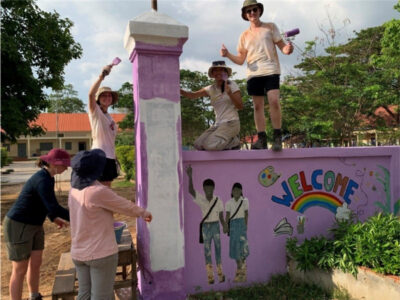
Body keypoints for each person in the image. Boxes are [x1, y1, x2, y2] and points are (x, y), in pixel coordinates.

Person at [68, 149, 152, 299]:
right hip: (100, 254)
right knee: (102, 296)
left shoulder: (73, 190)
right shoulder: (97, 191)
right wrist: (144, 213)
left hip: (78, 253)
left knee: (84, 295)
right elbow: (125, 206)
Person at [220, 0, 294, 151]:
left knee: (273, 101)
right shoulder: (244, 35)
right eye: (248, 11)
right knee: (258, 106)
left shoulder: (270, 27)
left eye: (254, 9)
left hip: (271, 70)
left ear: (259, 10)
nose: (252, 13)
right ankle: (261, 139)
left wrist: (289, 49)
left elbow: (283, 48)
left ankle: (277, 137)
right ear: (245, 15)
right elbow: (241, 60)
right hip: (253, 74)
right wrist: (227, 55)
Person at [3, 148, 71, 300]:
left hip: (35, 224)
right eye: (64, 165)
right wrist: (77, 217)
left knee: (36, 262)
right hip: (19, 224)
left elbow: (44, 203)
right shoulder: (42, 179)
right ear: (53, 164)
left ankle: (34, 295)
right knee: (19, 268)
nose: (66, 168)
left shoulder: (49, 178)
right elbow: (53, 206)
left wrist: (53, 218)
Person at [180, 61, 243, 150]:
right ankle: (229, 141)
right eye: (215, 70)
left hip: (231, 123)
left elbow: (240, 106)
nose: (218, 72)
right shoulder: (210, 89)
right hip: (218, 124)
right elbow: (192, 95)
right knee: (198, 144)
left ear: (225, 73)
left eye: (221, 70)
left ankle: (234, 142)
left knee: (209, 145)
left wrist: (229, 93)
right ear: (212, 74)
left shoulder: (232, 85)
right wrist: (179, 90)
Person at [186, 165, 226, 284]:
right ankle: (210, 277)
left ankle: (220, 274)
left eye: (210, 188)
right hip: (206, 227)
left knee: (218, 249)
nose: (208, 191)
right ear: (203, 189)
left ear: (213, 188)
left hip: (215, 226)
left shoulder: (218, 200)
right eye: (206, 189)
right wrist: (190, 176)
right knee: (207, 251)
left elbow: (220, 215)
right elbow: (191, 191)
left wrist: (224, 225)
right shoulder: (201, 199)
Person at [88, 64, 120, 187]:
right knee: (99, 191)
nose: (107, 97)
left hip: (110, 157)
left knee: (107, 190)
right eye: (103, 95)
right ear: (98, 98)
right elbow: (90, 95)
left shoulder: (110, 118)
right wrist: (102, 76)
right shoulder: (96, 113)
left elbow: (110, 140)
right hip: (99, 156)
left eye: (109, 95)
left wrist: (114, 155)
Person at [224, 183, 249, 282]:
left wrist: (246, 226)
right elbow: (227, 216)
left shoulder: (245, 201)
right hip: (233, 225)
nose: (236, 192)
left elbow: (246, 214)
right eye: (234, 190)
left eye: (238, 190)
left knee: (242, 247)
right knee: (235, 248)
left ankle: (242, 273)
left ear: (241, 191)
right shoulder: (228, 203)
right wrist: (226, 226)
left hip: (241, 224)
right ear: (232, 191)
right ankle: (239, 270)